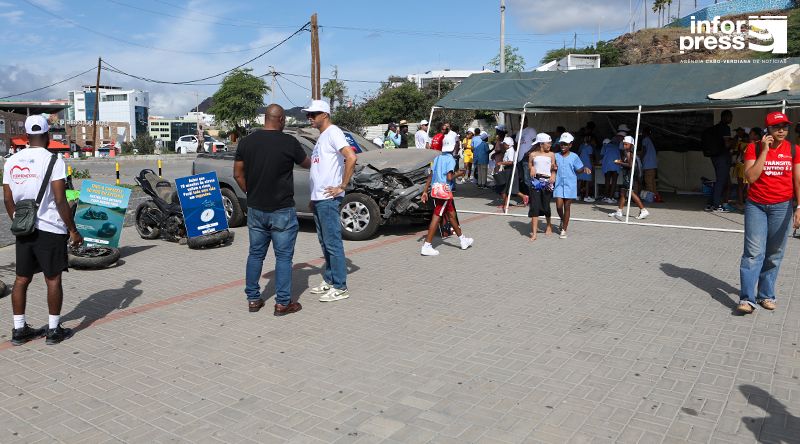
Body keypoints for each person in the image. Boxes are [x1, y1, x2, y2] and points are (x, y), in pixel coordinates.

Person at [3, 115, 83, 345]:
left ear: (27, 136)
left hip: (24, 231)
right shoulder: (53, 161)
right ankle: (54, 329)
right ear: (47, 135)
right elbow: (60, 200)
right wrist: (73, 230)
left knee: (21, 279)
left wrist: (20, 221)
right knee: (53, 279)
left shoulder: (11, 161)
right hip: (50, 229)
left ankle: (19, 330)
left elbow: (8, 199)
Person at [234, 104, 310, 316]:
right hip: (282, 211)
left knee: (256, 254)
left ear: (266, 118)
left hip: (256, 208)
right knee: (283, 258)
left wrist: (252, 193)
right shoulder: (289, 142)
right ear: (282, 119)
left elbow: (238, 174)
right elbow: (307, 164)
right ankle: (282, 303)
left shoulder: (246, 142)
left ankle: (253, 299)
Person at [737, 112, 800, 314]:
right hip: (756, 206)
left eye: (785, 126)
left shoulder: (794, 149)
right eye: (776, 127)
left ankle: (766, 295)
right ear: (767, 130)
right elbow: (751, 177)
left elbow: (798, 180)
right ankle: (747, 299)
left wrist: (799, 207)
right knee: (754, 254)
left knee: (774, 254)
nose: (781, 130)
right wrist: (764, 150)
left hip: (782, 207)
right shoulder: (753, 148)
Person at [304, 100, 358, 302]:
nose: (310, 117)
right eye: (308, 114)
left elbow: (351, 157)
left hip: (329, 199)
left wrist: (342, 186)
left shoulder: (333, 132)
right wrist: (313, 197)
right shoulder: (322, 137)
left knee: (333, 242)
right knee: (324, 242)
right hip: (319, 199)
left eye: (313, 114)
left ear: (324, 115)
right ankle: (329, 279)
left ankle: (340, 286)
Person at [419, 142, 473, 256]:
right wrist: (458, 173)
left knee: (451, 215)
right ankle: (427, 245)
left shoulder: (437, 157)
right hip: (444, 191)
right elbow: (449, 177)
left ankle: (463, 240)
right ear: (453, 148)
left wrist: (425, 191)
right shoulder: (450, 159)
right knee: (437, 216)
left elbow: (431, 175)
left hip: (436, 189)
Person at [553, 132, 591, 239]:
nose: (563, 146)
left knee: (567, 207)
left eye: (565, 144)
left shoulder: (574, 157)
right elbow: (551, 166)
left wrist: (584, 169)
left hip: (570, 185)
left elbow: (578, 170)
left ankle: (564, 229)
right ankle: (562, 218)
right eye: (561, 144)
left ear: (570, 145)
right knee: (559, 206)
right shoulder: (555, 156)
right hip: (559, 184)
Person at [608, 136, 650, 220]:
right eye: (624, 144)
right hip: (628, 174)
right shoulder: (627, 152)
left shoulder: (629, 153)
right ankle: (619, 211)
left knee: (630, 192)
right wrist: (622, 162)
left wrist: (619, 163)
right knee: (623, 192)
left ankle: (643, 210)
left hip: (629, 175)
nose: (624, 146)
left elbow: (630, 165)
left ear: (631, 145)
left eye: (626, 144)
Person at [704, 110, 734, 212]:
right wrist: (734, 141)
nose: (731, 119)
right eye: (730, 116)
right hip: (722, 157)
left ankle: (710, 204)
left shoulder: (715, 128)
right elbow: (727, 144)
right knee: (721, 181)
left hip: (715, 156)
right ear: (725, 117)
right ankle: (716, 205)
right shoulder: (725, 128)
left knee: (720, 181)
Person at [528, 133, 556, 240]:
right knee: (534, 206)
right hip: (536, 181)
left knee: (546, 206)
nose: (550, 145)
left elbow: (553, 167)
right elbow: (530, 164)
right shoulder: (533, 154)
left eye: (550, 143)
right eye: (548, 143)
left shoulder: (551, 154)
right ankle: (534, 233)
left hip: (547, 181)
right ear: (541, 144)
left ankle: (549, 224)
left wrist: (553, 174)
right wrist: (531, 168)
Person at [497, 136, 528, 207]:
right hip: (508, 170)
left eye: (504, 144)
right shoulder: (509, 150)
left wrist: (501, 163)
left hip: (510, 170)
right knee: (509, 188)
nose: (503, 146)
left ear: (508, 144)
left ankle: (523, 197)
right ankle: (506, 203)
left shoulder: (510, 151)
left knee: (506, 188)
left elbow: (510, 162)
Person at [601, 135, 622, 203]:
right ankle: (611, 198)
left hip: (607, 165)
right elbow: (619, 157)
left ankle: (605, 197)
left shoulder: (605, 146)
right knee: (614, 182)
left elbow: (602, 155)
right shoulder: (616, 147)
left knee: (607, 181)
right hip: (616, 165)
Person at [577, 135, 595, 202]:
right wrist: (592, 165)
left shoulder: (581, 146)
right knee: (587, 181)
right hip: (587, 165)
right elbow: (590, 157)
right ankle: (586, 197)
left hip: (580, 164)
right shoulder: (590, 147)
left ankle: (577, 196)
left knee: (579, 180)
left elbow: (578, 154)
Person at [640, 127, 658, 195]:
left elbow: (643, 151)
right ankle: (655, 195)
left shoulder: (645, 140)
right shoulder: (650, 141)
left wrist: (640, 159)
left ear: (644, 133)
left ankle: (650, 196)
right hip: (653, 165)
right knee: (652, 182)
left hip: (648, 165)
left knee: (648, 181)